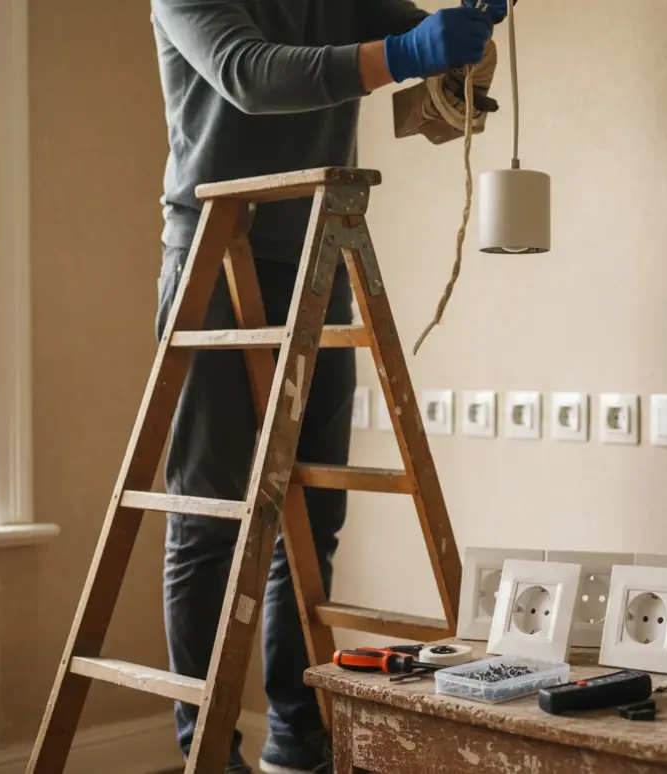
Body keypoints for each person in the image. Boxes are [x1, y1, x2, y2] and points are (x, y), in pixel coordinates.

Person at [148, 2, 512, 772]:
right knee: (209, 523)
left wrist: (465, 40)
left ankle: (298, 742)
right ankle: (205, 754)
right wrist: (409, 49)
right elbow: (249, 75)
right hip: (216, 253)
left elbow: (428, 46)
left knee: (314, 520)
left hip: (317, 246)